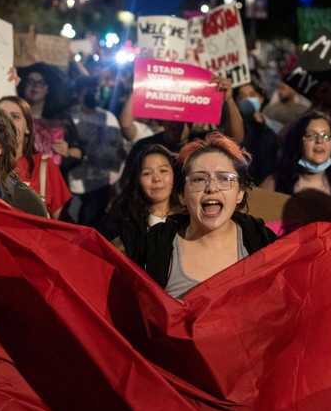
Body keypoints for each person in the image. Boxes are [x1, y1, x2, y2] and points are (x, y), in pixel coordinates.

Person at [134, 132, 276, 299]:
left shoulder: (264, 242)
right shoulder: (155, 246)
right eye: (199, 179)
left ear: (240, 193)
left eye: (224, 178)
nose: (211, 187)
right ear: (182, 195)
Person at [261, 111, 331, 217]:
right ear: (298, 141)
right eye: (312, 135)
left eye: (326, 136)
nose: (320, 141)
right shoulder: (273, 183)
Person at [0, 96, 72, 219]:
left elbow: (59, 223)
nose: (7, 122)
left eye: (15, 116)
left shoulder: (44, 165)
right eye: (1, 116)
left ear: (28, 127)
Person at [97, 144, 181, 256]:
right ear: (137, 180)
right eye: (147, 173)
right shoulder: (120, 221)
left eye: (163, 170)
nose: (156, 178)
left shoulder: (189, 216)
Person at [67, 76, 126, 227]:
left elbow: (119, 150)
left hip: (98, 184)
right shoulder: (69, 116)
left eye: (96, 90)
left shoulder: (109, 118)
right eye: (89, 91)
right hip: (71, 182)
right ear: (79, 93)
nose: (94, 93)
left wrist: (113, 181)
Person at [18, 63, 83, 177]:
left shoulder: (60, 120)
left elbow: (79, 152)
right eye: (31, 81)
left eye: (41, 82)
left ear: (48, 88)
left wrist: (67, 152)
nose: (35, 86)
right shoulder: (14, 115)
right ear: (24, 85)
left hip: (51, 184)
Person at [234, 79, 280, 186]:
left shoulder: (276, 128)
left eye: (252, 95)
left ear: (261, 98)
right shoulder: (231, 130)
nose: (247, 99)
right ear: (236, 101)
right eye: (242, 96)